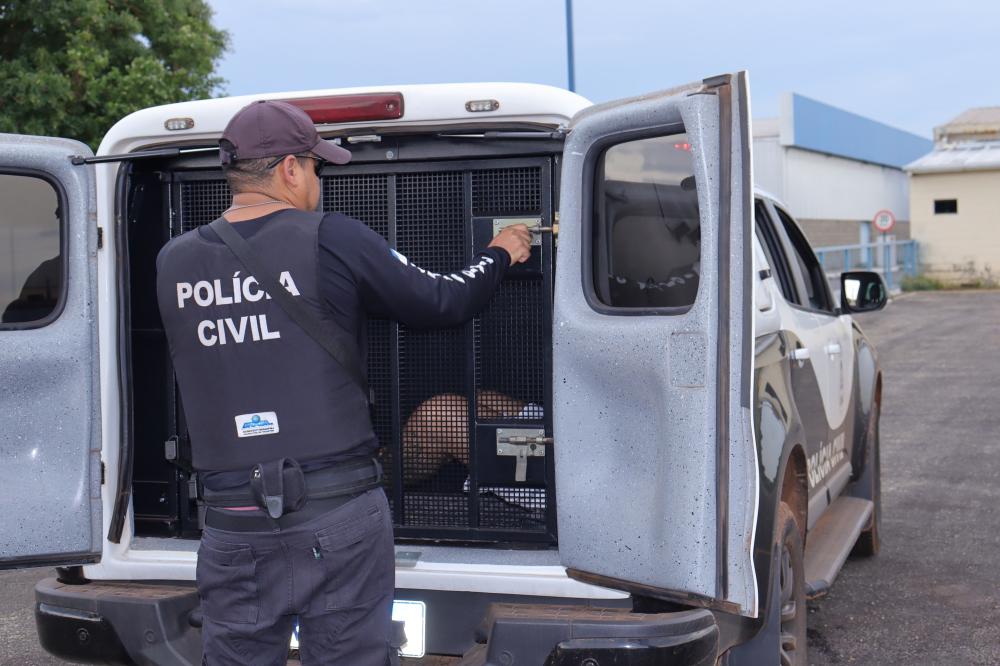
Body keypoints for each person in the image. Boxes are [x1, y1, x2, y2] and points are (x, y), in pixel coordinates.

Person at [155, 100, 531, 666]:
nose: (318, 183)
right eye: (316, 168)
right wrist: (500, 253)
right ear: (289, 169)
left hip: (231, 523)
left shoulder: (172, 262)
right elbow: (442, 299)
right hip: (336, 517)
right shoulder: (330, 237)